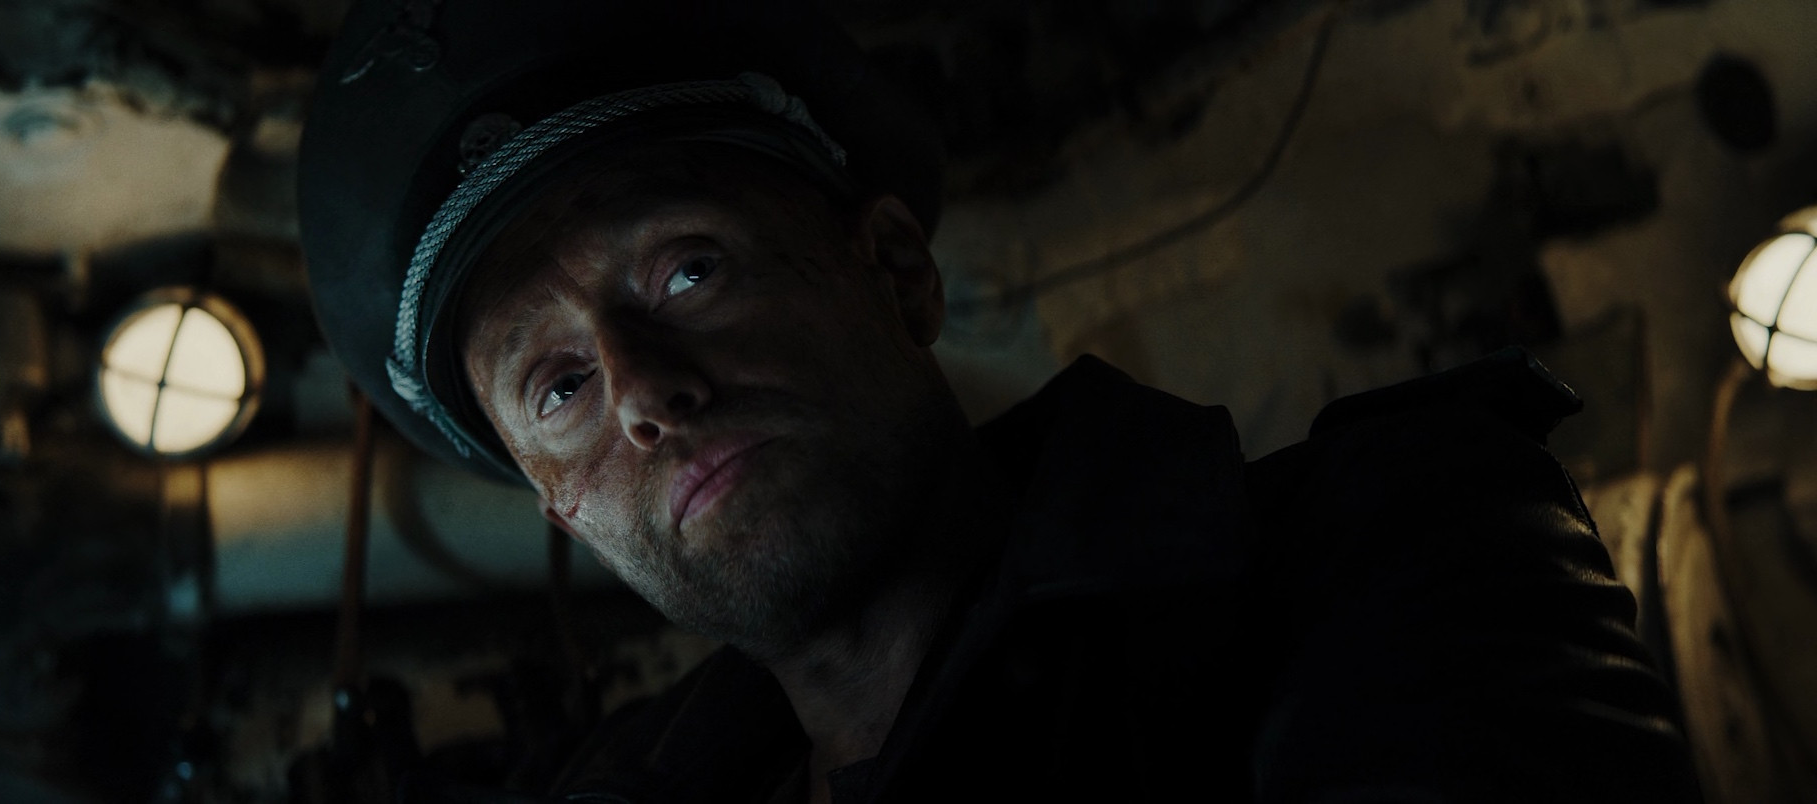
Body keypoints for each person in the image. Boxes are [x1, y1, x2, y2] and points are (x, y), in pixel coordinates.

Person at [298, 1, 1703, 801]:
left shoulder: (1388, 547)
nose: (646, 393)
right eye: (557, 385)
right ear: (559, 505)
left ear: (896, 273)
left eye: (686, 272)